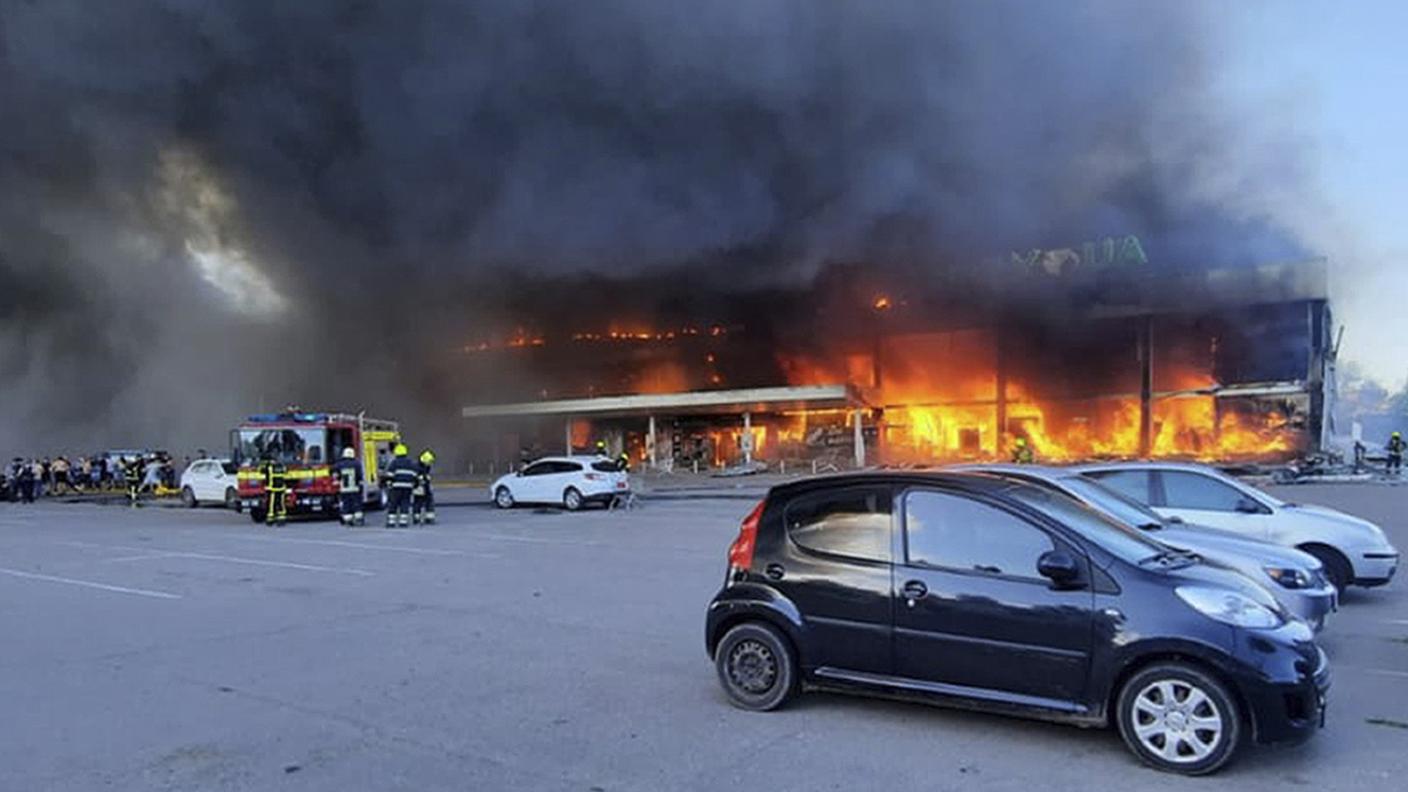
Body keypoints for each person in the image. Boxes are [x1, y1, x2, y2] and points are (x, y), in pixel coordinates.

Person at [384, 443, 418, 528]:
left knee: (393, 504)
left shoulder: (394, 463)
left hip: (396, 487)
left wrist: (387, 484)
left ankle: (391, 522)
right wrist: (414, 486)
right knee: (405, 503)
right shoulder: (411, 463)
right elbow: (415, 476)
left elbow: (389, 476)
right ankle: (403, 522)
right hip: (408, 488)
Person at [333, 447, 364, 527]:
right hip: (355, 488)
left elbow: (336, 476)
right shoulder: (357, 463)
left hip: (344, 489)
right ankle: (359, 519)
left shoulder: (339, 464)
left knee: (346, 504)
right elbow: (359, 476)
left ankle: (348, 520)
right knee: (357, 504)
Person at [259, 453, 289, 526]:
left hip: (272, 489)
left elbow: (261, 470)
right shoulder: (281, 466)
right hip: (281, 488)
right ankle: (281, 519)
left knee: (271, 505)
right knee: (281, 504)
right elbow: (285, 472)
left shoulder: (269, 467)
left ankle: (270, 520)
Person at [412, 449, 436, 525]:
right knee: (418, 502)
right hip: (418, 486)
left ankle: (429, 518)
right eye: (429, 462)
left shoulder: (426, 466)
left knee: (429, 501)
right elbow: (415, 477)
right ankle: (416, 518)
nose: (430, 464)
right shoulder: (417, 467)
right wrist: (423, 478)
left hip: (426, 486)